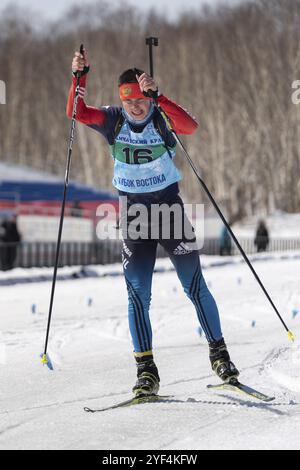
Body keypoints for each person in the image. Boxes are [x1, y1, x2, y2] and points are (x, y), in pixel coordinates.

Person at [67, 48, 239, 397]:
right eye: (129, 100)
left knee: (194, 285)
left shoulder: (161, 115)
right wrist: (79, 77)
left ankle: (220, 355)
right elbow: (77, 112)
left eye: (140, 99)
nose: (135, 107)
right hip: (134, 216)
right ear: (122, 99)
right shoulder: (113, 119)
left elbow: (190, 126)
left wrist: (160, 96)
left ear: (147, 95)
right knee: (137, 295)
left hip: (169, 210)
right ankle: (146, 370)